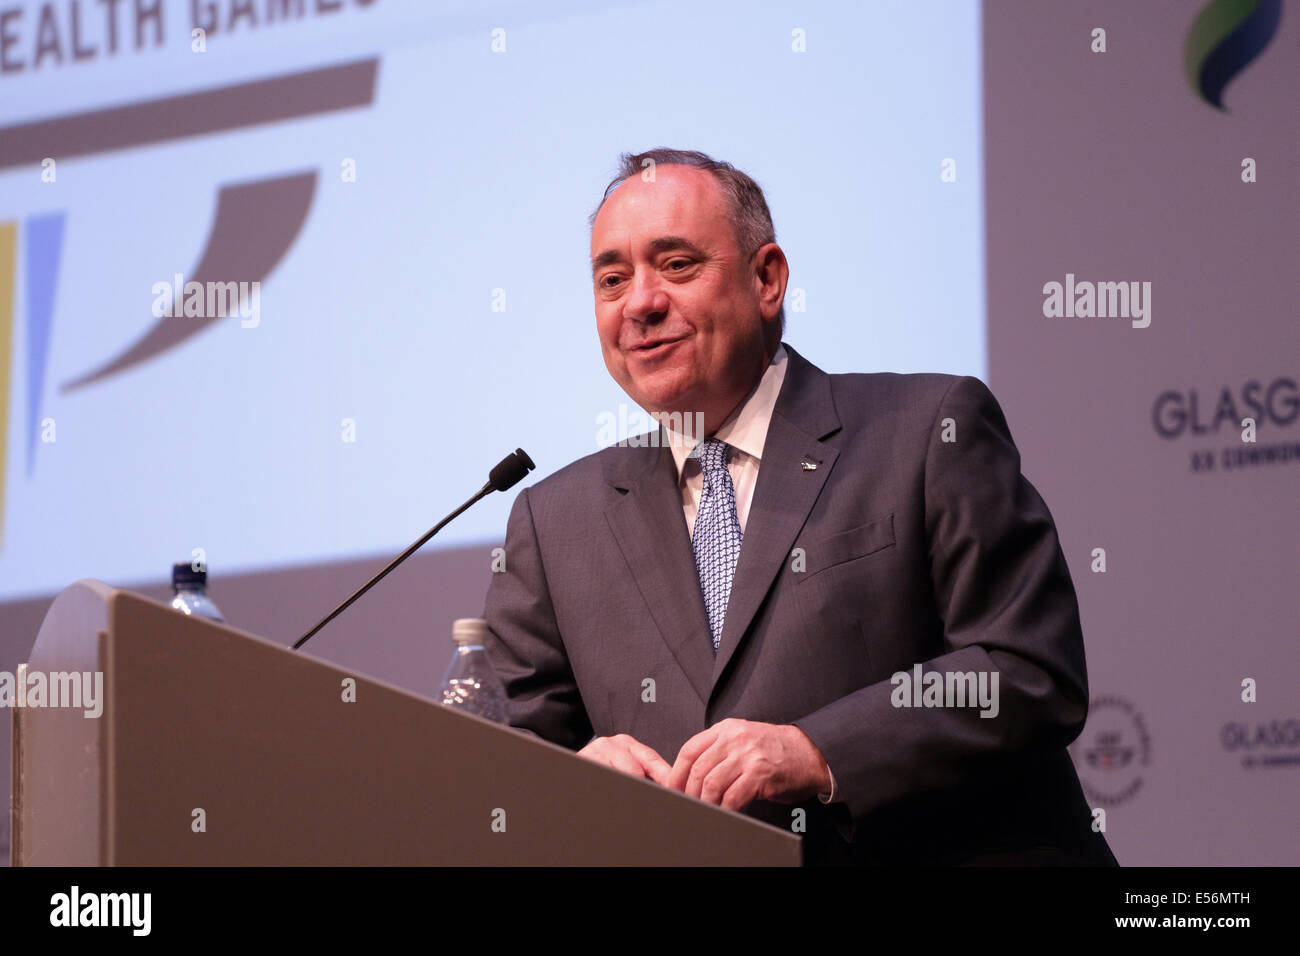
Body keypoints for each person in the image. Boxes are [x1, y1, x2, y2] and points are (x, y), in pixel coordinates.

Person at [482, 148, 1117, 866]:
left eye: (678, 265)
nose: (641, 303)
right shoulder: (556, 520)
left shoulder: (928, 429)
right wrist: (569, 783)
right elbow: (498, 755)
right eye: (611, 279)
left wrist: (820, 751)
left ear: (768, 279)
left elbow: (1030, 670)